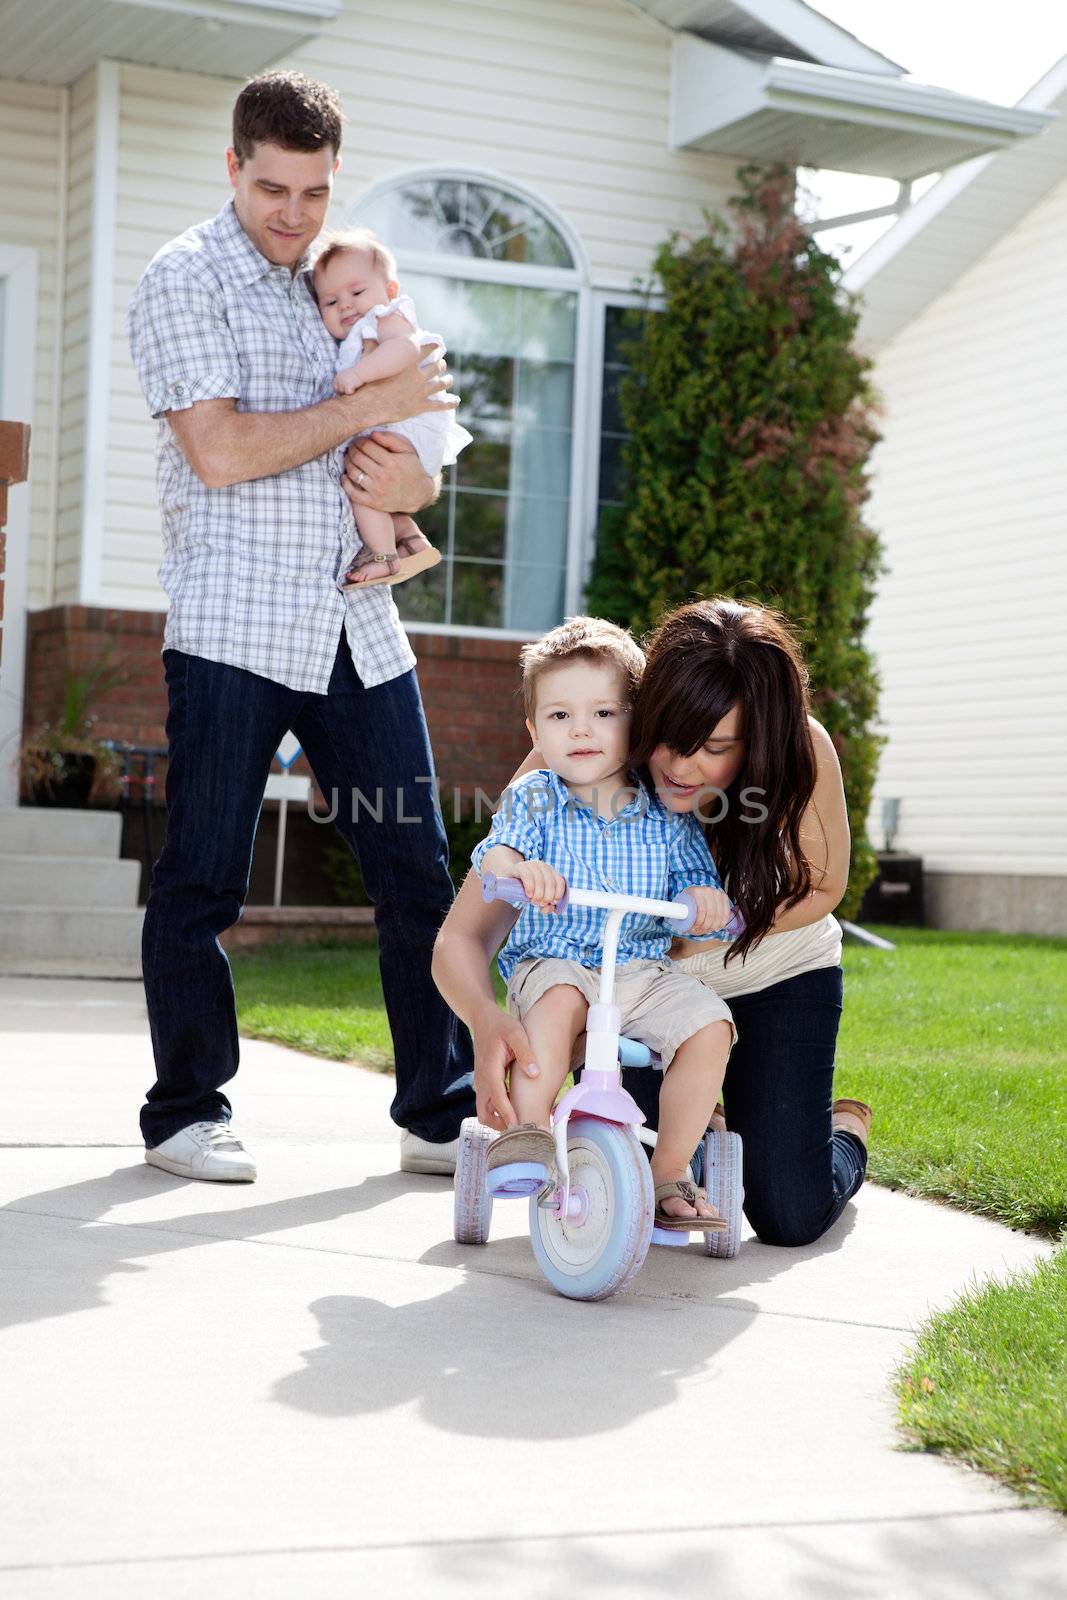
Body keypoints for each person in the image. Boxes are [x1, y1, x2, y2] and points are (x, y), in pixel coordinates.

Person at [126, 69, 475, 1182]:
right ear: (233, 167)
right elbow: (219, 452)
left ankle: (439, 1112)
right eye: (272, 187)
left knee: (416, 868)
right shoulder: (184, 280)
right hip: (233, 622)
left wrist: (408, 480)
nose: (293, 213)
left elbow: (418, 453)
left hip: (357, 621)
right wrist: (367, 406)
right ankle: (185, 1109)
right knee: (203, 876)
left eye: (313, 191)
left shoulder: (351, 279)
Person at [433, 598, 871, 1248]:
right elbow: (463, 935)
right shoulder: (573, 761)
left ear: (758, 739)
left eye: (714, 748)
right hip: (627, 982)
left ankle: (842, 1129)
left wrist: (695, 933)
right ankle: (699, 1126)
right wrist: (490, 1020)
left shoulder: (800, 750)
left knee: (789, 1212)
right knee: (626, 1182)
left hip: (774, 972)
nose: (678, 765)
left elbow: (823, 885)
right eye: (664, 735)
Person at [469, 617, 736, 1230]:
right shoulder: (537, 796)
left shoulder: (666, 811)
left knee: (709, 1024)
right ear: (535, 729)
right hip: (557, 960)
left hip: (640, 971)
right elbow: (497, 851)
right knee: (559, 999)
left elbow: (695, 879)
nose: (582, 729)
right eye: (560, 717)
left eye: (604, 713)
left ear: (636, 721)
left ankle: (670, 1168)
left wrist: (704, 899)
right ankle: (531, 1134)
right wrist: (522, 869)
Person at [312, 227, 472, 586]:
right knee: (369, 483)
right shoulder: (356, 331)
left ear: (390, 290)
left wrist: (358, 374)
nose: (346, 305)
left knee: (363, 485)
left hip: (412, 424)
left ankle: (384, 557)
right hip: (395, 425)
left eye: (356, 291)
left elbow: (404, 350)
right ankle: (407, 539)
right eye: (331, 302)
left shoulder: (386, 316)